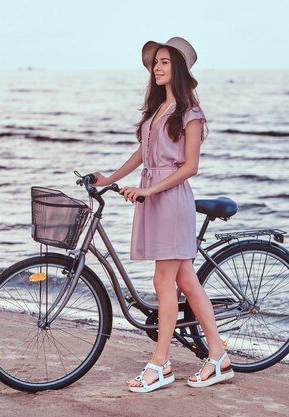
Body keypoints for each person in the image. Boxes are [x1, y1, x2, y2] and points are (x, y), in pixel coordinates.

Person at [93, 37, 234, 393]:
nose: (157, 68)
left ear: (180, 70)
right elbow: (143, 154)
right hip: (154, 198)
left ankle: (160, 364)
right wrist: (110, 179)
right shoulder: (156, 111)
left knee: (162, 281)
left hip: (170, 200)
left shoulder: (190, 113)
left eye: (165, 62)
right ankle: (218, 356)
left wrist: (148, 191)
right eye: (155, 62)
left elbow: (190, 167)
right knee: (185, 280)